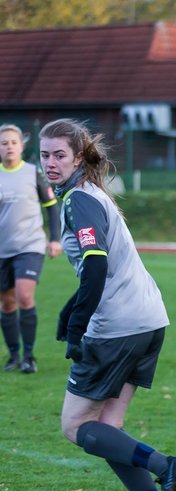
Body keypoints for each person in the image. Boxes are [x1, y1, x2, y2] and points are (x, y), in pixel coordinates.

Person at [39, 118, 176, 491]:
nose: (50, 163)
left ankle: (166, 465)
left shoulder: (78, 201)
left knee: (76, 427)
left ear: (77, 157)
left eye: (59, 155)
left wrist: (77, 328)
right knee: (108, 427)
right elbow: (104, 267)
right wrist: (71, 309)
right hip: (150, 319)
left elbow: (97, 264)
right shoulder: (89, 193)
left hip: (119, 326)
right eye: (45, 155)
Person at [0, 123, 62, 374]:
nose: (9, 147)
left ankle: (29, 356)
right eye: (4, 143)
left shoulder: (33, 172)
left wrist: (55, 238)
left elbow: (51, 206)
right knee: (7, 304)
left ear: (22, 146)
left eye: (14, 142)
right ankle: (13, 355)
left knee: (25, 296)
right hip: (2, 250)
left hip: (30, 246)